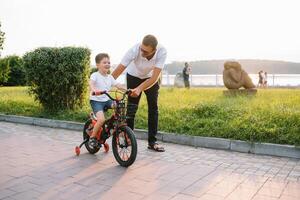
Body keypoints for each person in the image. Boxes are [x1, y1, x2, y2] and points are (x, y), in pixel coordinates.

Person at [112, 34, 167, 152]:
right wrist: (104, 84)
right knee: (132, 108)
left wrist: (139, 89)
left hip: (151, 79)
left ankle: (152, 142)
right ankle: (128, 138)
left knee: (153, 108)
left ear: (154, 50)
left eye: (146, 51)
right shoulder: (134, 50)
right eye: (141, 49)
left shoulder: (162, 52)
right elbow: (118, 70)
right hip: (133, 76)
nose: (142, 52)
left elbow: (154, 78)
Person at [89, 53, 125, 148]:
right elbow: (91, 83)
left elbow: (118, 85)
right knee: (101, 120)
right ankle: (92, 137)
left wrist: (128, 90)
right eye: (104, 62)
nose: (107, 64)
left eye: (109, 62)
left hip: (107, 100)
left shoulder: (110, 77)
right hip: (96, 101)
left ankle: (115, 125)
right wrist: (93, 90)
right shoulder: (95, 75)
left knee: (119, 105)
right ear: (97, 65)